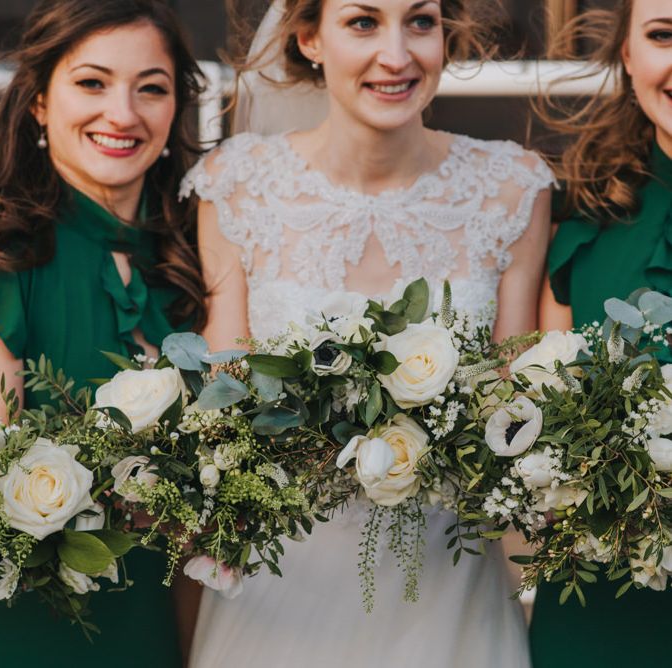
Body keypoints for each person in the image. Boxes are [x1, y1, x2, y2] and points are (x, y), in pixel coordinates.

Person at [183, 1, 553, 666]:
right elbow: (223, 386)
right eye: (362, 22)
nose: (397, 54)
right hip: (281, 587)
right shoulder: (238, 186)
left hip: (447, 579)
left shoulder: (512, 188)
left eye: (420, 21)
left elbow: (513, 400)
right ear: (309, 39)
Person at [0, 0, 205, 665]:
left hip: (151, 622)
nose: (122, 113)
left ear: (176, 110)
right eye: (92, 83)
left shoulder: (197, 260)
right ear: (37, 101)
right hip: (19, 630)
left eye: (151, 88)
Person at [534, 0, 672, 665]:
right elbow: (536, 408)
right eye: (663, 35)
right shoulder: (584, 214)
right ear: (627, 54)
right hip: (599, 607)